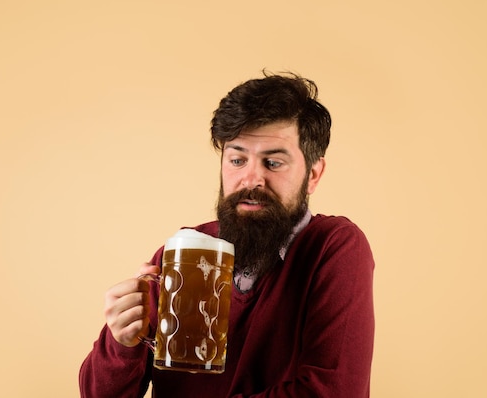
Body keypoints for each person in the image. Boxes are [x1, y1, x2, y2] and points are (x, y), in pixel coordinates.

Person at [79, 72, 375, 397]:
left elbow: (332, 392)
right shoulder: (182, 253)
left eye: (273, 163)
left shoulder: (333, 246)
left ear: (313, 174)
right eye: (237, 159)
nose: (251, 179)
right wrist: (122, 344)